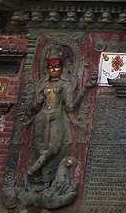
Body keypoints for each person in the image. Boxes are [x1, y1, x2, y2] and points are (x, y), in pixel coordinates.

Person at [25, 57, 90, 192]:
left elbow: (70, 106)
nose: (53, 70)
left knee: (54, 147)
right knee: (39, 147)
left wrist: (85, 89)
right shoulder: (42, 85)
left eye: (56, 67)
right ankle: (39, 178)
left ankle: (33, 172)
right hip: (41, 116)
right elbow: (32, 108)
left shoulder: (66, 84)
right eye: (50, 68)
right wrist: (37, 101)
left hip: (57, 114)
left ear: (63, 68)